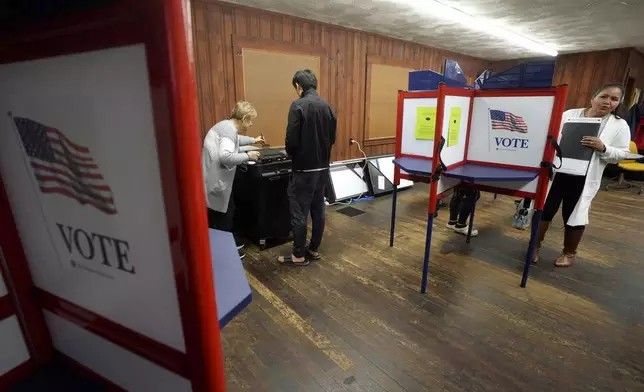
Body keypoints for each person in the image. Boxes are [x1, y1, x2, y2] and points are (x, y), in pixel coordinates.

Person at [533, 83, 631, 267]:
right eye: (604, 96)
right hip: (557, 172)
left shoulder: (619, 125)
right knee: (544, 210)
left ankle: (569, 253)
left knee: (574, 214)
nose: (607, 102)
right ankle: (535, 246)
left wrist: (603, 147)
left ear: (618, 104)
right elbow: (551, 135)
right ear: (593, 97)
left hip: (583, 178)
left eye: (614, 99)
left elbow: (622, 154)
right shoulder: (569, 115)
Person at [278, 69, 337, 266]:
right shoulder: (327, 107)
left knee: (299, 212)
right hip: (322, 170)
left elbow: (291, 140)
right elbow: (333, 138)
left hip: (303, 171)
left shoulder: (298, 105)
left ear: (298, 86)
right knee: (318, 209)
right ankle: (313, 248)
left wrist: (291, 153)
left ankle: (298, 255)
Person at [203, 101, 265, 259]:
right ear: (243, 118)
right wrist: (248, 156)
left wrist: (253, 140)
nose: (250, 124)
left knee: (220, 213)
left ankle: (220, 246)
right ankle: (226, 251)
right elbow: (225, 156)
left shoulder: (225, 126)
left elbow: (236, 140)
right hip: (217, 181)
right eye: (250, 120)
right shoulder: (228, 131)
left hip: (210, 177)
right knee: (225, 213)